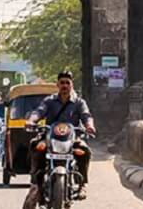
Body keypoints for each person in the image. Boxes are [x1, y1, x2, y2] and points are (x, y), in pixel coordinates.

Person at [25, 71, 96, 203]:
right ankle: (35, 182)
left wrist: (89, 126)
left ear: (71, 85)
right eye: (62, 83)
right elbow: (39, 111)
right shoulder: (49, 101)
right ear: (57, 84)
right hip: (50, 138)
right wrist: (31, 121)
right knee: (35, 145)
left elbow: (86, 115)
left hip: (72, 139)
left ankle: (82, 185)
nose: (64, 86)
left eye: (67, 83)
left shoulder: (79, 102)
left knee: (85, 151)